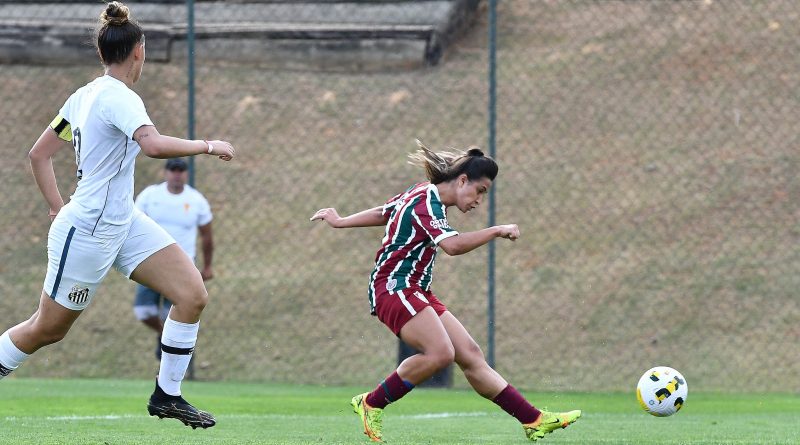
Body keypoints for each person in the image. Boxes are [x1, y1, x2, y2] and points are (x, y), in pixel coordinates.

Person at [0, 1, 235, 429]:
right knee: (46, 330)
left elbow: (39, 155)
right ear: (139, 51)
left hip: (122, 222)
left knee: (191, 294)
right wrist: (207, 145)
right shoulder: (119, 97)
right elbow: (153, 145)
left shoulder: (84, 95)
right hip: (88, 230)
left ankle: (168, 396)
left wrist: (56, 204)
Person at [311, 140, 580, 442]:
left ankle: (533, 420)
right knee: (440, 353)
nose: (480, 200)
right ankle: (371, 402)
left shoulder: (423, 194)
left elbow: (386, 211)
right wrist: (496, 230)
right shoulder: (428, 201)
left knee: (470, 355)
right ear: (463, 180)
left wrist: (342, 220)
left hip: (416, 290)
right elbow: (451, 246)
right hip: (394, 286)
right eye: (481, 191)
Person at [134, 158, 214, 361]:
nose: (176, 174)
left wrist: (207, 266)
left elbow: (207, 235)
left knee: (178, 315)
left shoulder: (196, 200)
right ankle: (163, 334)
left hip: (183, 266)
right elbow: (132, 224)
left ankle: (175, 359)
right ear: (165, 172)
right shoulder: (150, 196)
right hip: (150, 262)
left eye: (181, 170)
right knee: (144, 310)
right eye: (172, 170)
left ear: (186, 173)